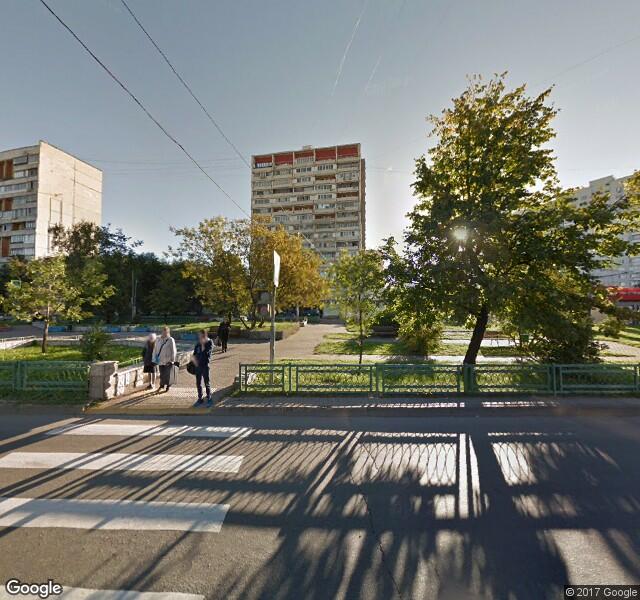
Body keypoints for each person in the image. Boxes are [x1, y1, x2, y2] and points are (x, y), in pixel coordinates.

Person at [192, 329, 214, 407]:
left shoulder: (209, 342)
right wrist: (194, 361)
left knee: (206, 382)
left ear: (204, 335)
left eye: (200, 335)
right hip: (198, 366)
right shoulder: (198, 343)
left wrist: (203, 345)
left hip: (205, 365)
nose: (199, 336)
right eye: (198, 335)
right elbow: (194, 354)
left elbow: (207, 354)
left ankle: (209, 398)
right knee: (198, 383)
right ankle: (200, 398)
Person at [153, 326, 177, 392]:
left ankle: (168, 386)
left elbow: (173, 350)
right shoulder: (158, 339)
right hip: (160, 360)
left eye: (165, 332)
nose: (164, 333)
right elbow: (155, 350)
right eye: (163, 332)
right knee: (162, 374)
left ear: (168, 332)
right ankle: (161, 386)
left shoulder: (171, 340)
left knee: (167, 374)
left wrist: (172, 360)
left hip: (168, 361)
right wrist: (155, 359)